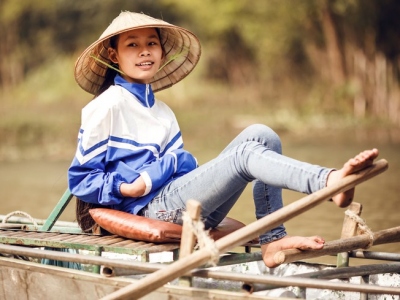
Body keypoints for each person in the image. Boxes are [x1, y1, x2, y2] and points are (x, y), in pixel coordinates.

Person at [68, 11, 379, 268]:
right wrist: (128, 187)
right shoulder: (104, 107)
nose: (145, 51)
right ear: (114, 55)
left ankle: (272, 239)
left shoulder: (163, 113)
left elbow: (182, 175)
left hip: (178, 201)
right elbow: (81, 180)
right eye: (132, 45)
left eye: (151, 43)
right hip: (149, 207)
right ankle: (330, 181)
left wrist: (187, 169)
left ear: (162, 52)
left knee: (262, 134)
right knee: (244, 157)